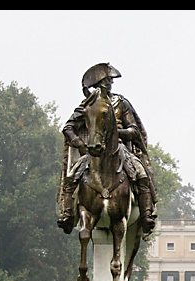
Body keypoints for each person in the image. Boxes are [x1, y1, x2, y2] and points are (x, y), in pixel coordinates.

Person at [57, 63, 157, 234]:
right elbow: (68, 127)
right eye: (106, 80)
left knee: (141, 173)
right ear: (98, 83)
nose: (109, 83)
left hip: (118, 147)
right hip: (93, 149)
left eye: (110, 80)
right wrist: (80, 144)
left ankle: (146, 213)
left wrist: (117, 132)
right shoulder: (89, 105)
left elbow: (133, 129)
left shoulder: (121, 103)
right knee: (71, 175)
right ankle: (66, 213)